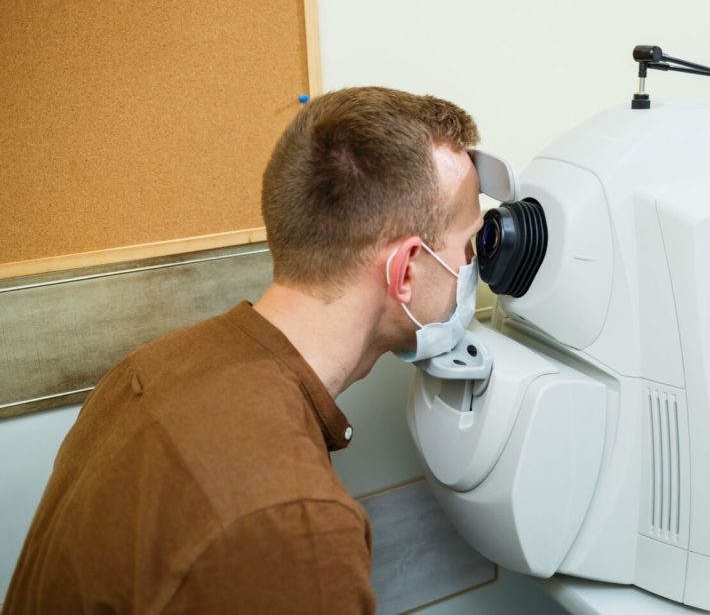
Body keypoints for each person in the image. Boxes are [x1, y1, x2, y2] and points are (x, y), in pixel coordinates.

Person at [2, 87, 483, 614]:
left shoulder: (151, 367)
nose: (472, 265)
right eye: (469, 244)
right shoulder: (292, 523)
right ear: (406, 270)